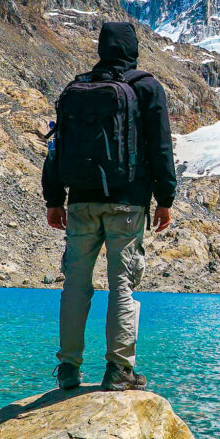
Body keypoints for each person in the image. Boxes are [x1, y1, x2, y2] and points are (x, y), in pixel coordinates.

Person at [42, 20, 175, 392]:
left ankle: (68, 369)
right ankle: (119, 370)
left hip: (81, 201)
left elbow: (57, 147)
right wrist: (165, 198)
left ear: (102, 48)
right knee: (122, 286)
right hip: (127, 203)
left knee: (75, 285)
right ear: (133, 49)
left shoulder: (77, 87)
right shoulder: (145, 86)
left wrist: (55, 199)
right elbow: (161, 146)